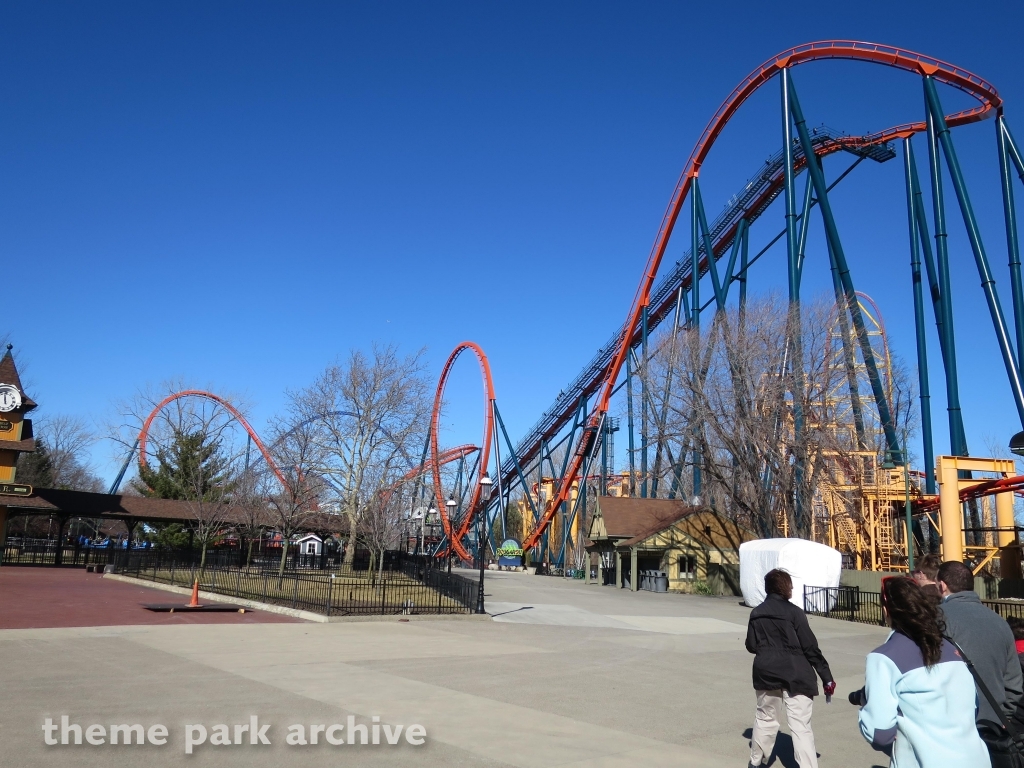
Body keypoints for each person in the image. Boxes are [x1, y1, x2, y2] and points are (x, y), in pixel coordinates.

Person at [857, 577, 990, 766]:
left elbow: (880, 733)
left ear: (886, 610)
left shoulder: (884, 657)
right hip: (976, 759)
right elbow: (973, 706)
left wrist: (865, 709)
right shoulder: (951, 647)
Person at [745, 569, 835, 768]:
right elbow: (810, 647)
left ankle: (756, 762)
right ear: (785, 587)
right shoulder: (795, 613)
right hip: (797, 674)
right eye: (790, 585)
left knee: (765, 718)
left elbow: (751, 645)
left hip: (766, 671)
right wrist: (826, 676)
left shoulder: (756, 613)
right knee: (800, 726)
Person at [938, 560, 1023, 729]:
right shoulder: (1000, 623)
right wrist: (1002, 719)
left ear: (942, 586)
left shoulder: (937, 618)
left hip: (951, 726)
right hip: (993, 726)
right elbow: (1014, 683)